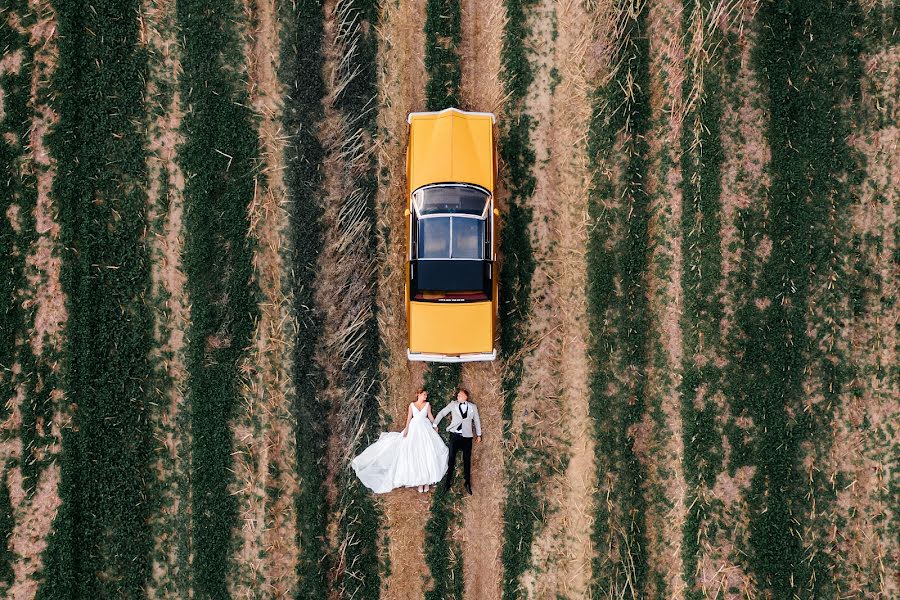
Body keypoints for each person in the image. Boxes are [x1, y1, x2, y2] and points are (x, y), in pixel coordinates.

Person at [351, 389, 449, 494]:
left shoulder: (427, 405)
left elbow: (429, 415)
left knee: (426, 452)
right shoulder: (412, 405)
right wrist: (406, 429)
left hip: (425, 428)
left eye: (426, 395)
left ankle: (426, 482)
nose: (426, 396)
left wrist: (434, 425)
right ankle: (421, 482)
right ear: (419, 394)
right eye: (424, 394)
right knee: (416, 453)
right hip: (414, 428)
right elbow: (409, 418)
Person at [433, 387, 481, 495]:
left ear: (465, 397)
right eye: (457, 395)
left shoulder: (473, 407)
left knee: (467, 460)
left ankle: (467, 483)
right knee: (451, 459)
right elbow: (442, 413)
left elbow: (477, 420)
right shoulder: (453, 404)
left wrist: (479, 434)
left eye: (459, 395)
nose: (457, 396)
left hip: (467, 437)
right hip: (454, 436)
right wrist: (435, 424)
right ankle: (447, 483)